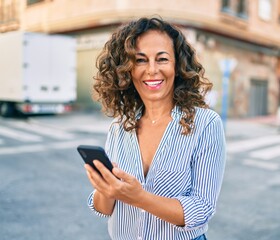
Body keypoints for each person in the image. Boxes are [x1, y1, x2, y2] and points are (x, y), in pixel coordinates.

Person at [84, 16, 226, 240]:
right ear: (127, 70)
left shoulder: (206, 124)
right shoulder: (118, 128)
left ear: (177, 66)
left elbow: (201, 209)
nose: (151, 70)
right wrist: (105, 188)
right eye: (140, 60)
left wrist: (139, 197)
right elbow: (104, 209)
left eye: (162, 59)